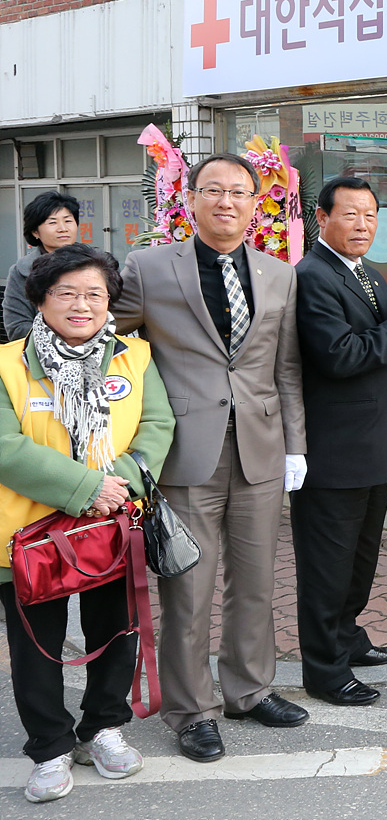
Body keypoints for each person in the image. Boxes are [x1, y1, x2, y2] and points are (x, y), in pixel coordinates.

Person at [112, 153, 310, 764]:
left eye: (240, 193)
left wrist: (296, 446)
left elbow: (286, 369)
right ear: (190, 199)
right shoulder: (147, 267)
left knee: (255, 581)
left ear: (258, 204)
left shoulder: (280, 274)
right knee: (188, 589)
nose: (227, 202)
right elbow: (114, 352)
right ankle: (192, 708)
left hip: (260, 449)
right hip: (182, 454)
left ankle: (249, 689)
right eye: (213, 191)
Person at [0, 244, 174, 802]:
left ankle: (103, 728)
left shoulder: (134, 357)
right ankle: (49, 747)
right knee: (37, 646)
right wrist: (85, 489)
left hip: (113, 524)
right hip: (28, 532)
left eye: (94, 294)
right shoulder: (7, 363)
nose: (82, 305)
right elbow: (5, 446)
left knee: (115, 634)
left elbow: (156, 426)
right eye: (66, 293)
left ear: (110, 301)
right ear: (40, 299)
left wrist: (114, 484)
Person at [294, 177, 387, 707]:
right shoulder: (312, 276)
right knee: (328, 566)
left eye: (370, 215)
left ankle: (348, 639)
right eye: (350, 214)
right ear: (321, 217)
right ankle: (324, 670)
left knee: (360, 559)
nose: (362, 225)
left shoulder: (369, 276)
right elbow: (341, 355)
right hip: (336, 451)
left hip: (374, 445)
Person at [4, 191, 82, 341]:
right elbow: (16, 327)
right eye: (52, 222)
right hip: (41, 357)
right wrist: (68, 339)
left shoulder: (99, 265)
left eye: (68, 221)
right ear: (35, 232)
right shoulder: (22, 271)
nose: (62, 228)